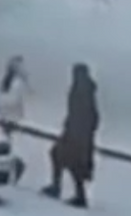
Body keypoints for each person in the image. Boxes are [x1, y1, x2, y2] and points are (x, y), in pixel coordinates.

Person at [41, 63, 100, 208]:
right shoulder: (85, 90)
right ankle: (76, 194)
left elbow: (85, 115)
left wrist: (74, 129)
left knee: (62, 158)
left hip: (77, 136)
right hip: (77, 134)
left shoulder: (82, 92)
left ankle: (60, 188)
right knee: (70, 162)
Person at [0, 55, 29, 183]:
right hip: (5, 116)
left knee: (7, 146)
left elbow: (11, 100)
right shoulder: (10, 81)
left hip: (11, 118)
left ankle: (13, 170)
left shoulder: (17, 83)